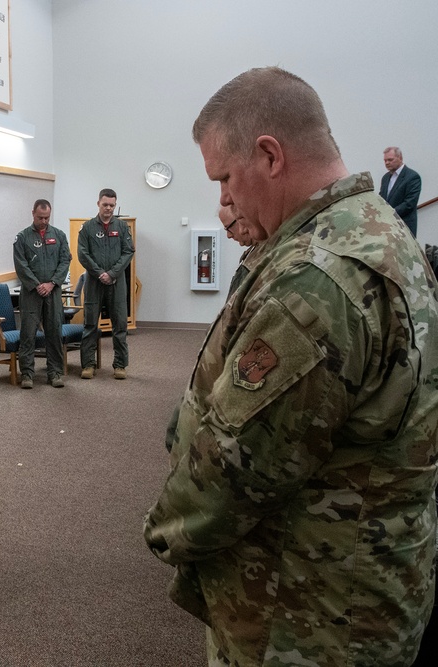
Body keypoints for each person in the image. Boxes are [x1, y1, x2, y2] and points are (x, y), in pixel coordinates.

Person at [143, 67, 438, 666]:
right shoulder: (373, 228)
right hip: (357, 590)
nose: (223, 198)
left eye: (226, 176)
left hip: (309, 616)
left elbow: (235, 466)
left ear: (270, 156)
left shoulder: (320, 278)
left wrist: (162, 531)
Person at [76, 189, 135, 380]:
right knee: (90, 324)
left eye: (112, 205)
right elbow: (82, 254)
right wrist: (100, 273)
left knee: (119, 325)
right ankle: (88, 365)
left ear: (115, 205)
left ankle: (120, 365)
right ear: (98, 204)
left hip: (116, 282)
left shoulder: (122, 227)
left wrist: (111, 273)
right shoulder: (87, 228)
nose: (108, 208)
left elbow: (128, 251)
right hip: (94, 282)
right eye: (105, 204)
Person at [13, 199, 70, 389]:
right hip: (31, 293)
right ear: (32, 213)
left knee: (54, 332)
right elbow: (21, 265)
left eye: (47, 217)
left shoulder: (59, 235)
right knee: (28, 333)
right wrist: (38, 285)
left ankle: (54, 373)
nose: (44, 221)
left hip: (53, 292)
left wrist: (52, 283)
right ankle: (27, 374)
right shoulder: (22, 237)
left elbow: (65, 261)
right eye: (40, 217)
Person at [380, 146, 422, 237]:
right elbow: (381, 199)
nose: (387, 163)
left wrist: (390, 213)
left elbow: (409, 203)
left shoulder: (412, 176)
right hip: (388, 226)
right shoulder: (385, 178)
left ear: (400, 158)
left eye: (390, 160)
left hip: (404, 226)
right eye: (385, 160)